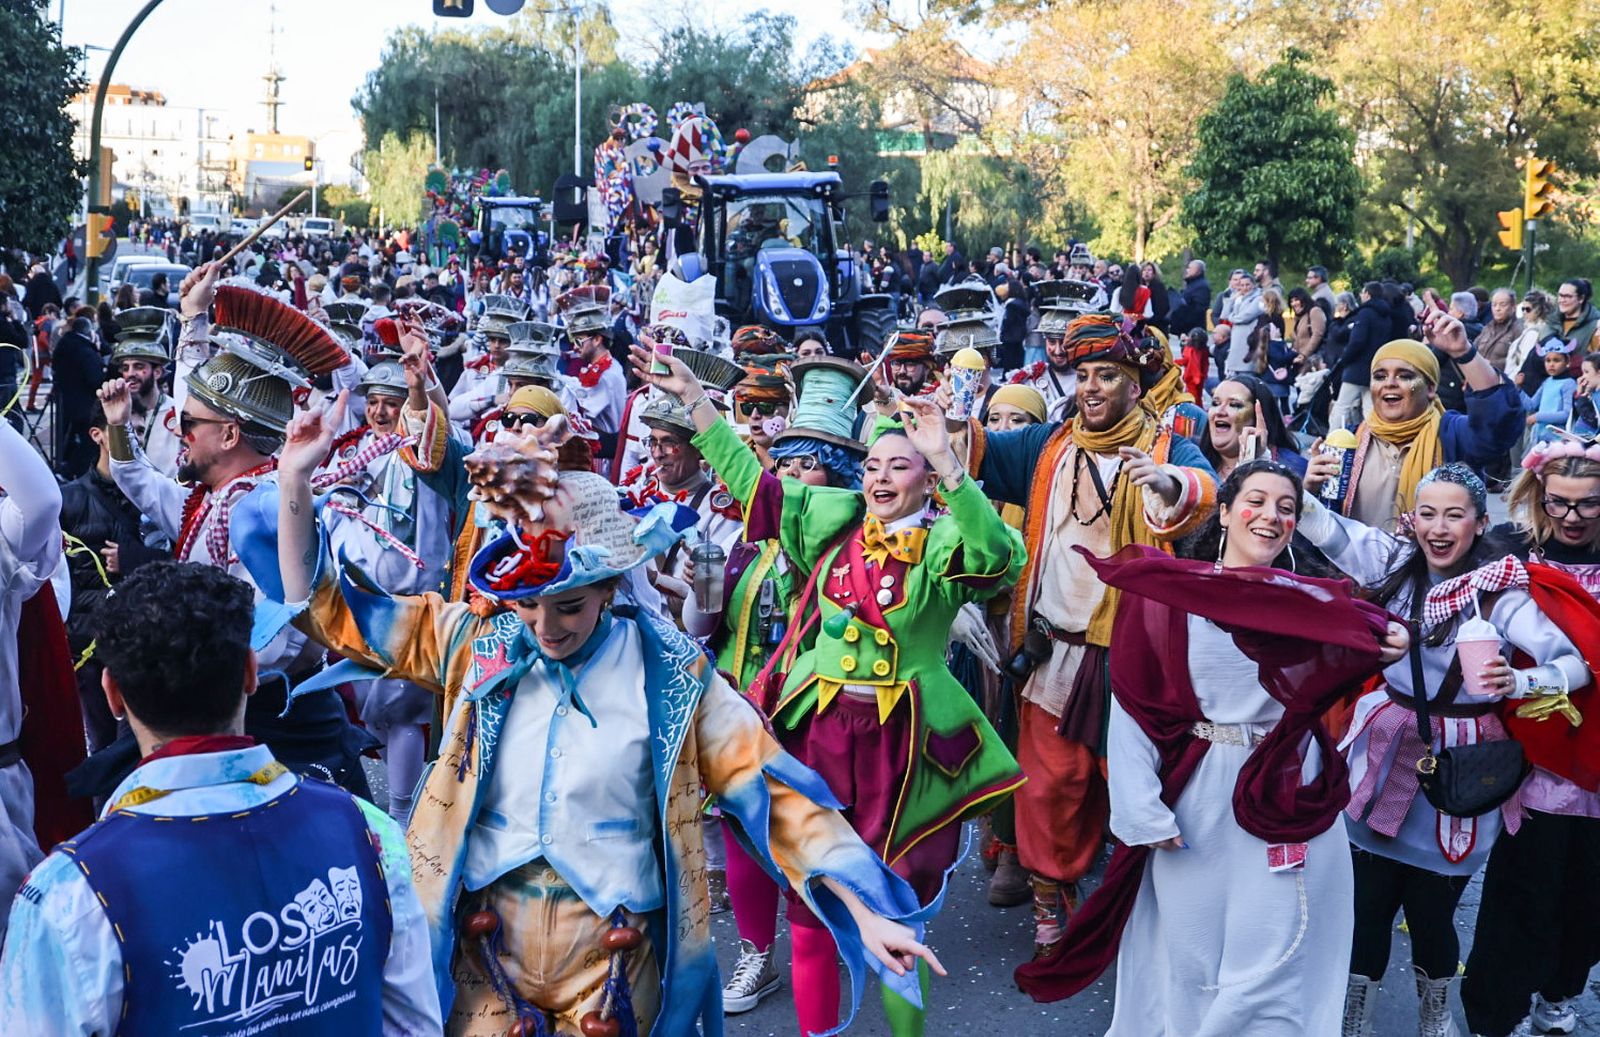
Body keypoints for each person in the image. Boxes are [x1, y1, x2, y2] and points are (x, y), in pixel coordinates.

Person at [260, 398, 944, 1037]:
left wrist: (865, 905)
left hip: (616, 966)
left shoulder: (671, 677)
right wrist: (295, 480)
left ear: (609, 587)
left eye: (570, 605)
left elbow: (776, 789)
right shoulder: (477, 645)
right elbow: (333, 613)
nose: (546, 625)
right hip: (486, 950)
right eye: (530, 601)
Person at [637, 345, 1023, 1037]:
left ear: (926, 480)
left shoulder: (941, 542)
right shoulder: (833, 521)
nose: (879, 478)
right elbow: (754, 484)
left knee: (899, 914)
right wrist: (698, 402)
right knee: (810, 908)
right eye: (872, 465)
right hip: (820, 736)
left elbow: (996, 552)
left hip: (904, 754)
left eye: (898, 466)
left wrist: (950, 463)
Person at [1033, 461, 1405, 1030]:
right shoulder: (1169, 596)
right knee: (1191, 956)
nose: (1272, 515)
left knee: (1279, 955)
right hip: (1198, 797)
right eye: (1256, 500)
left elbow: (1381, 633)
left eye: (1287, 506)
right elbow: (1134, 706)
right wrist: (1140, 810)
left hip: (1288, 790)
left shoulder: (1317, 604)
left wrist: (1392, 640)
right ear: (1225, 513)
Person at [0, 562, 443, 1035]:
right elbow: (416, 1025)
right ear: (251, 673)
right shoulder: (367, 831)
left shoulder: (73, 892)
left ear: (112, 694)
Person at [1297, 461, 1593, 1037]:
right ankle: (1353, 1019)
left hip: (1461, 766)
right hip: (1383, 749)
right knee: (1367, 905)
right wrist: (1292, 490)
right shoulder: (1392, 562)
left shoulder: (1498, 594)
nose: (1439, 527)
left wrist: (1525, 682)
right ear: (1412, 519)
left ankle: (1435, 1019)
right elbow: (1326, 528)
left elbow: (1576, 662)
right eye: (1427, 513)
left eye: (1454, 515)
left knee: (1434, 911)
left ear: (1480, 524)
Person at [960, 314, 1217, 962]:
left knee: (1136, 787)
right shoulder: (1049, 444)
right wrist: (945, 427)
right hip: (1055, 648)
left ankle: (1142, 906)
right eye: (1084, 375)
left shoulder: (1166, 448)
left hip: (1137, 652)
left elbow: (1202, 490)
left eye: (1108, 374)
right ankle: (1049, 902)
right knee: (1049, 785)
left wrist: (1168, 489)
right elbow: (978, 454)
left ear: (1135, 385)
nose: (1093, 387)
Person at [92, 263, 376, 800]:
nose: (178, 432)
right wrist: (193, 321)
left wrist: (183, 667)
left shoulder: (266, 507)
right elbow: (139, 478)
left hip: (272, 729)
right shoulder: (214, 495)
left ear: (228, 435)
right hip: (226, 713)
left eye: (189, 426)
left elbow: (280, 638)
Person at [1462, 439, 1600, 1037]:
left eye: (1589, 505)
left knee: (1590, 897)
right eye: (1561, 503)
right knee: (1524, 892)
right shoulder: (1510, 557)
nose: (1572, 517)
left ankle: (1561, 991)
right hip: (1540, 757)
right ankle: (1498, 1012)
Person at [1324, 314, 1524, 533]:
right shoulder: (1352, 441)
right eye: (1380, 376)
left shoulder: (1452, 435)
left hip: (1433, 564)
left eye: (1405, 376)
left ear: (1430, 388)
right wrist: (1310, 486)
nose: (1389, 384)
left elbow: (1500, 421)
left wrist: (1463, 352)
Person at [107, 307, 182, 477]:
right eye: (125, 368)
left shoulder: (177, 413)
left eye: (139, 366)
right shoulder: (117, 412)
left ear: (157, 372)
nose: (130, 374)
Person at [1200, 373, 1307, 481]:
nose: (1219, 411)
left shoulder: (1292, 469)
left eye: (1235, 405)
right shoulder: (1191, 459)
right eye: (1215, 403)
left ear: (1259, 417)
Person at [1522, 338, 1578, 444]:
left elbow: (1566, 414)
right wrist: (1518, 389)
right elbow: (1531, 405)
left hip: (1556, 439)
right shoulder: (1547, 381)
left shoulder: (1569, 383)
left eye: (1556, 360)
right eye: (1548, 360)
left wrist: (1538, 416)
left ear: (1568, 362)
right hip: (1539, 436)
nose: (1551, 364)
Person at [1475, 288, 1523, 371]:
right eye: (1494, 305)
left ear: (1513, 307)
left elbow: (1521, 361)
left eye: (1502, 305)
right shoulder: (1487, 328)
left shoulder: (1519, 329)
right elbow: (1473, 350)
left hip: (1502, 379)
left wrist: (1492, 364)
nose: (1497, 309)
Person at [1556, 279, 1599, 354]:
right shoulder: (1550, 323)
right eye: (1560, 295)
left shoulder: (1595, 327)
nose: (1562, 300)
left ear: (1581, 299)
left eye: (1567, 296)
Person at [1289, 286, 1328, 366]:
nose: (1293, 304)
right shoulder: (1299, 318)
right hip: (1301, 362)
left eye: (1296, 300)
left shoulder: (1314, 311)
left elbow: (1317, 335)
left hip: (1312, 361)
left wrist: (1304, 355)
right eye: (1291, 301)